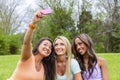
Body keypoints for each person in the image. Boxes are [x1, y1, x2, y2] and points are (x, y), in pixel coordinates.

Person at [8, 10, 55, 80]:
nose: (48, 48)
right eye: (45, 44)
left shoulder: (44, 66)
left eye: (50, 47)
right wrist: (33, 23)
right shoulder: (28, 57)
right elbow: (26, 43)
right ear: (38, 45)